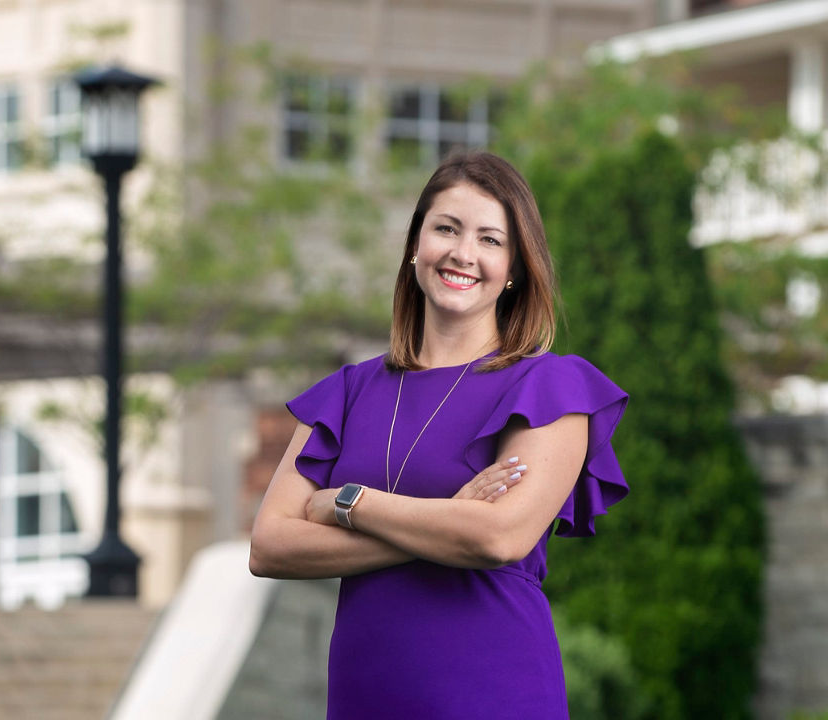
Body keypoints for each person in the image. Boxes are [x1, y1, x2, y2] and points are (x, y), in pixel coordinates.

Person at [248, 151, 628, 719]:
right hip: (366, 693)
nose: (463, 253)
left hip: (492, 688)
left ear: (516, 269)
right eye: (446, 228)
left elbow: (498, 537)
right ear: (414, 246)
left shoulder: (549, 385)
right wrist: (447, 520)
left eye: (490, 240)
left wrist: (348, 502)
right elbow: (270, 546)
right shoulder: (347, 392)